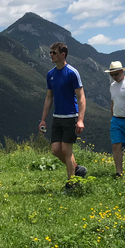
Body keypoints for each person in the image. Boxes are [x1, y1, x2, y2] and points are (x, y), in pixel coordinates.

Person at [39, 42, 88, 189]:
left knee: (67, 150)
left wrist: (80, 120)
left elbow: (81, 97)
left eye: (54, 53)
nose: (51, 55)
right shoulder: (50, 74)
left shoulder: (72, 72)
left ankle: (71, 185)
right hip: (57, 117)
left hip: (71, 117)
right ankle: (77, 169)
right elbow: (49, 98)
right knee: (55, 150)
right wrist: (43, 119)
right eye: (50, 52)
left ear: (62, 55)